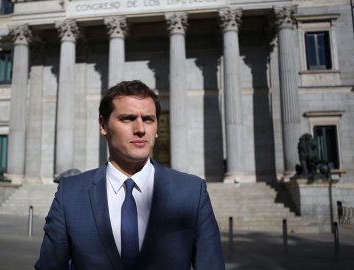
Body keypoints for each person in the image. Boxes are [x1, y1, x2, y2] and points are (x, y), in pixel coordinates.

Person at [35, 80, 225, 270]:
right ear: (103, 125)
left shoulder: (192, 192)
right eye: (127, 118)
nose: (141, 129)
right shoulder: (70, 194)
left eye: (149, 119)